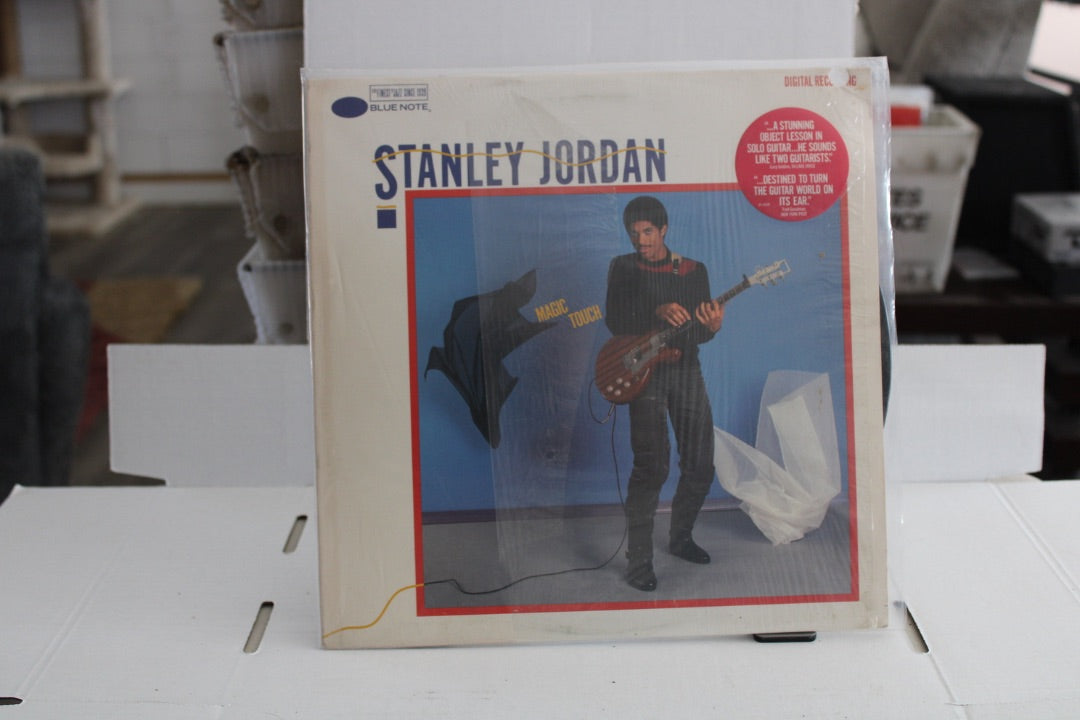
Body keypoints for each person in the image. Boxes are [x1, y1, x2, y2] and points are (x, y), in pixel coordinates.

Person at [604, 196, 724, 592]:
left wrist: (713, 327)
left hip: (686, 371)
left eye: (648, 232)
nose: (640, 240)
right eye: (634, 233)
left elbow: (699, 333)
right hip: (645, 375)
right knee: (651, 467)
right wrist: (657, 309)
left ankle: (681, 538)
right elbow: (615, 320)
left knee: (701, 464)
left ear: (664, 229)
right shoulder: (621, 267)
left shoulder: (693, 270)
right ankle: (638, 560)